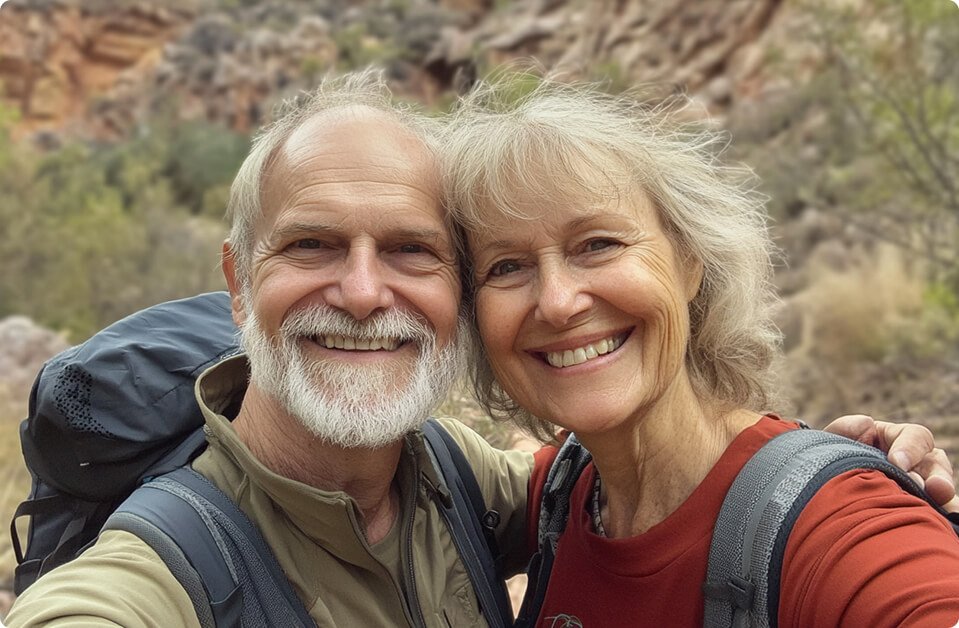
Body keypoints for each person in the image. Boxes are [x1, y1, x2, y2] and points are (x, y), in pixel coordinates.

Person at [4, 69, 955, 627]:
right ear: (239, 279)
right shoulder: (158, 572)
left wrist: (822, 465)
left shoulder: (467, 479)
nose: (366, 290)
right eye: (312, 244)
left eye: (412, 250)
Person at [440, 75, 959, 626]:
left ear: (690, 263)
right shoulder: (562, 492)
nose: (558, 302)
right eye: (507, 266)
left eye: (598, 244)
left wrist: (829, 472)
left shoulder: (837, 526)